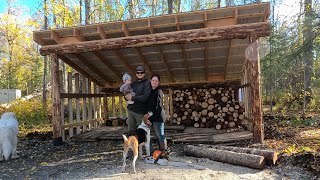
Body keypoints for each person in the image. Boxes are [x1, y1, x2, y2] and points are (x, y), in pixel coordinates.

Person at [144, 74, 168, 154]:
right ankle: (158, 152)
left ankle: (164, 152)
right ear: (151, 81)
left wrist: (151, 119)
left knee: (160, 135)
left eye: (156, 81)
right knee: (155, 135)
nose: (154, 82)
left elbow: (158, 107)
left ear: (158, 82)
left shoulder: (158, 91)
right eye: (153, 80)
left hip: (158, 117)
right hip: (152, 116)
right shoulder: (149, 91)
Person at [125, 66, 151, 135]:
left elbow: (145, 98)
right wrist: (126, 96)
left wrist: (132, 98)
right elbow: (127, 93)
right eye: (138, 72)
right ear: (136, 74)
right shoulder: (133, 83)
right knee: (131, 132)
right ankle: (132, 145)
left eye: (141, 72)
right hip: (131, 110)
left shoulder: (147, 83)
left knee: (142, 132)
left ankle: (143, 145)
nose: (139, 74)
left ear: (144, 73)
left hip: (140, 112)